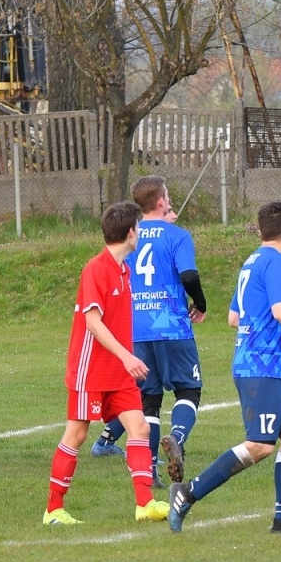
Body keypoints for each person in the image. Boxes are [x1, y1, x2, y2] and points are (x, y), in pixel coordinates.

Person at [168, 202, 281, 533]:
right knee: (260, 445)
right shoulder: (277, 262)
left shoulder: (251, 261)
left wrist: (274, 328)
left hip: (272, 367)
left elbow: (235, 318)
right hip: (262, 368)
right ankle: (188, 493)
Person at [45, 201, 170, 525]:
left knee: (139, 427)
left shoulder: (124, 269)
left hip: (118, 372)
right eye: (138, 229)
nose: (140, 234)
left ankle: (145, 504)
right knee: (77, 434)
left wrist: (125, 359)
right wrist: (127, 355)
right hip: (90, 371)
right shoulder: (96, 269)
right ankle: (53, 509)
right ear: (130, 233)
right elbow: (93, 322)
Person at [88, 179, 206, 480]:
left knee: (148, 401)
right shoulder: (177, 235)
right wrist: (200, 303)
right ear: (161, 202)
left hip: (135, 329)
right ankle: (177, 437)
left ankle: (150, 469)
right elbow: (189, 273)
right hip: (170, 326)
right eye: (167, 195)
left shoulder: (131, 236)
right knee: (188, 390)